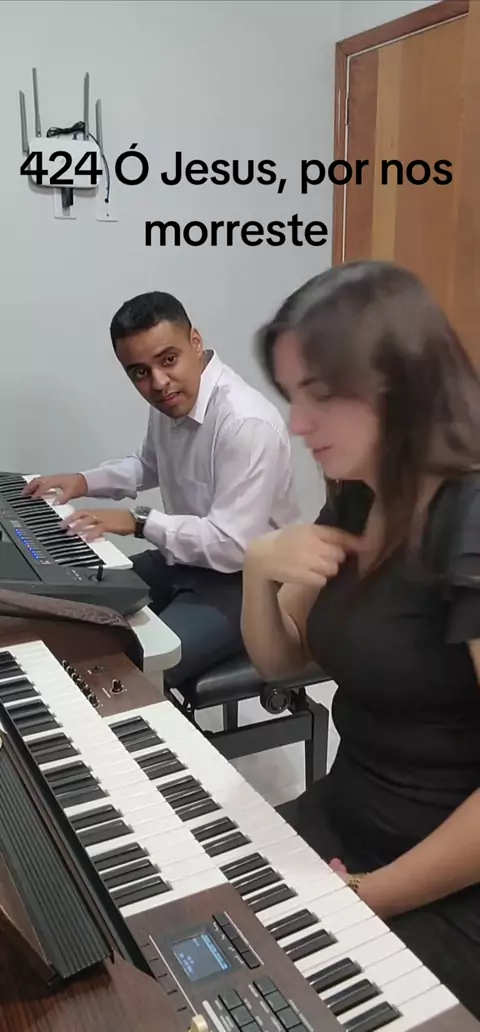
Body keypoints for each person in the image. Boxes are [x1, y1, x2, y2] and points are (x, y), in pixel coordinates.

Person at [241, 260, 480, 1019]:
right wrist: (258, 571)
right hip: (345, 821)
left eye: (319, 394)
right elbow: (284, 660)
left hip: (443, 880)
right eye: (291, 396)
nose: (295, 424)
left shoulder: (469, 517)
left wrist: (365, 899)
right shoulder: (357, 494)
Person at [24, 290, 300, 687]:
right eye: (139, 372)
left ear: (196, 342)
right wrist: (83, 481)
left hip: (250, 582)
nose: (158, 383)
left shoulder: (245, 423)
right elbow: (149, 464)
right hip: (186, 560)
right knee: (73, 605)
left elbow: (231, 544)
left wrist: (138, 522)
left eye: (168, 360)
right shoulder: (172, 400)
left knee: (132, 668)